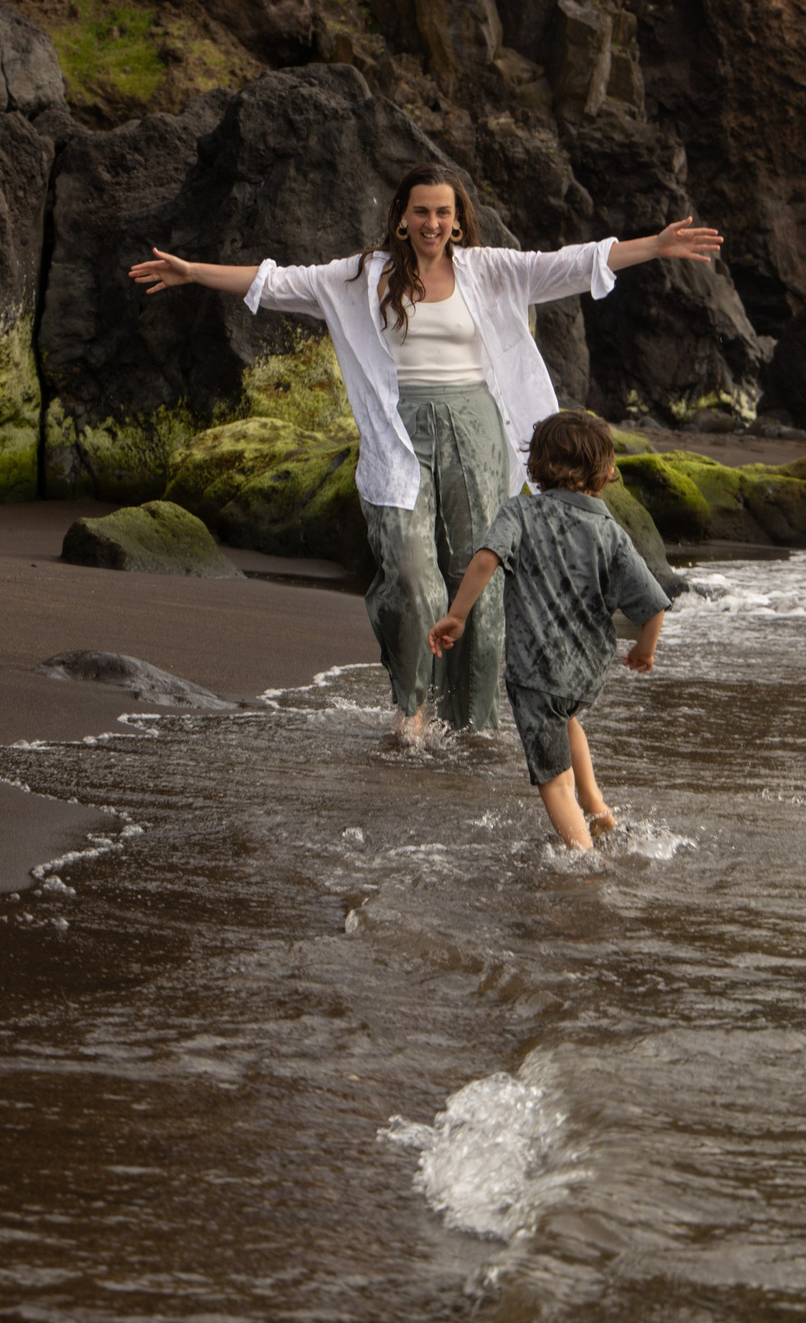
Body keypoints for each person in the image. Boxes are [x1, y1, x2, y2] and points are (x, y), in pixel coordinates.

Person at [131, 163, 720, 740]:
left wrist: (654, 247)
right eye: (422, 211)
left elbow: (572, 263)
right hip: (398, 432)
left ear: (459, 220)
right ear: (403, 218)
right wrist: (194, 272)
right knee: (413, 576)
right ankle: (412, 707)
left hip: (478, 428)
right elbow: (276, 281)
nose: (433, 222)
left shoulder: (489, 271)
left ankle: (472, 722)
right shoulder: (360, 278)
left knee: (477, 579)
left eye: (444, 212)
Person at [427, 410, 673, 850]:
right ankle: (597, 809)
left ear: (538, 465)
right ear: (603, 474)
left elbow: (486, 558)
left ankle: (583, 862)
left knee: (553, 784)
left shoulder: (520, 511)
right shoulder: (610, 532)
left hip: (537, 671)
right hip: (586, 674)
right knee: (567, 717)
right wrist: (644, 651)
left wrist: (458, 615)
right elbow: (654, 605)